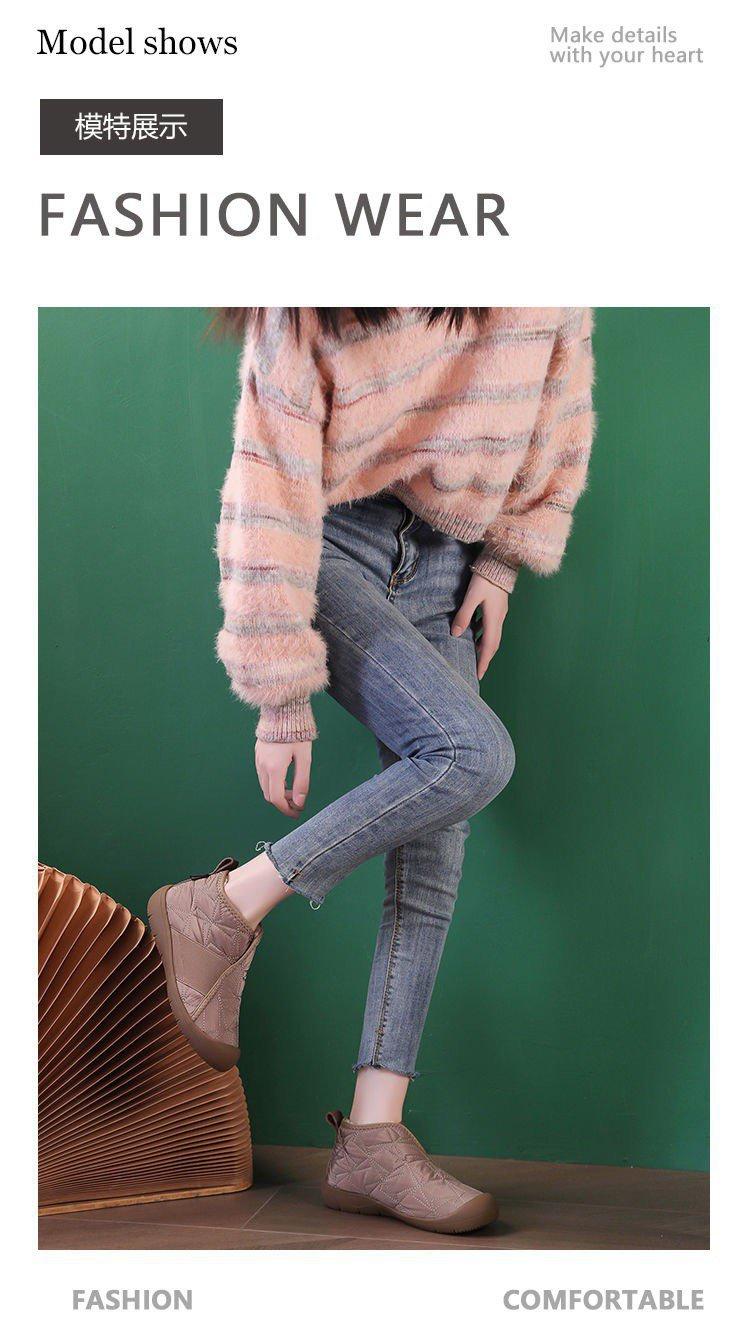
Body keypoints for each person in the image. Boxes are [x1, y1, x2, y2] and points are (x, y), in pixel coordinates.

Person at [149, 306, 594, 1234]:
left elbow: (560, 404)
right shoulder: (316, 287)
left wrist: (502, 561)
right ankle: (225, 903)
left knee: (434, 850)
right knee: (472, 753)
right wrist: (280, 696)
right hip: (327, 545)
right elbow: (268, 477)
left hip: (448, 563)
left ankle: (373, 1139)